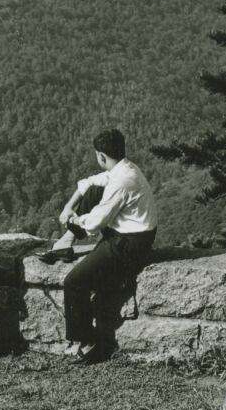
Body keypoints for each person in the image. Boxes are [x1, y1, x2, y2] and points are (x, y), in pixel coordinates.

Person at [60, 127, 157, 364]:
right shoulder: (125, 168)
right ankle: (65, 242)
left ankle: (87, 342)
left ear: (101, 156)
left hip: (129, 244)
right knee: (94, 191)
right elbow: (91, 182)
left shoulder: (121, 181)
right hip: (131, 235)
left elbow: (95, 223)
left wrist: (72, 219)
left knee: (74, 282)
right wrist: (69, 206)